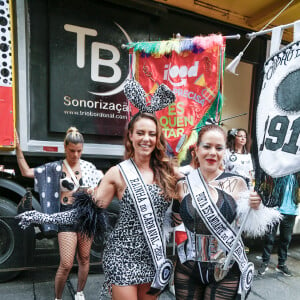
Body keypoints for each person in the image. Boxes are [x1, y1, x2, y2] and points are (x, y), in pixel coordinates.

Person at [92, 112, 181, 300]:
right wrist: (46, 217)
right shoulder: (117, 173)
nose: (146, 139)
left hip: (153, 254)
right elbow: (90, 211)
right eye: (140, 133)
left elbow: (199, 187)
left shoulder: (167, 172)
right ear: (130, 136)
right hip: (122, 254)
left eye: (152, 134)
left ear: (157, 139)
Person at [174, 124, 264, 300]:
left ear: (225, 152)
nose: (212, 153)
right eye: (207, 146)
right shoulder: (182, 185)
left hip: (225, 269)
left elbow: (249, 224)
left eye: (219, 148)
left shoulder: (238, 183)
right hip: (187, 268)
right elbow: (173, 221)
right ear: (197, 149)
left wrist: (256, 206)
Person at [15, 127, 103, 300]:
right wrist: (18, 149)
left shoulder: (89, 167)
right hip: (65, 215)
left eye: (79, 151)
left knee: (85, 258)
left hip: (85, 216)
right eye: (72, 151)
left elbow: (100, 192)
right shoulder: (54, 168)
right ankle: (58, 297)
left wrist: (93, 191)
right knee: (66, 263)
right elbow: (26, 172)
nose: (76, 155)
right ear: (65, 147)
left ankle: (79, 292)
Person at [258, 174, 299, 277]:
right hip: (274, 208)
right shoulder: (278, 170)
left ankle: (281, 264)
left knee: (286, 239)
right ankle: (265, 262)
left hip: (291, 210)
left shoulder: (297, 173)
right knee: (269, 238)